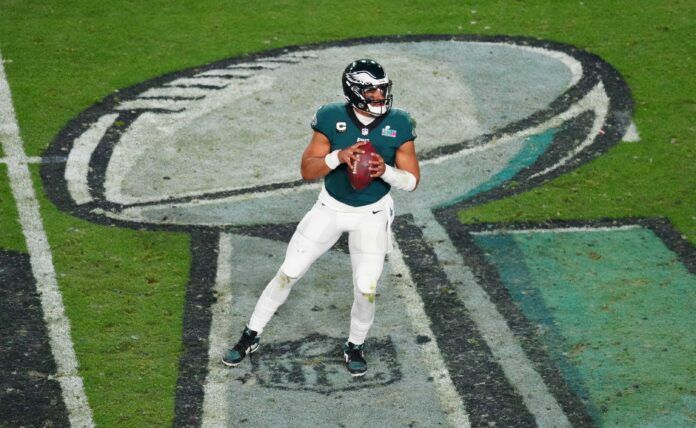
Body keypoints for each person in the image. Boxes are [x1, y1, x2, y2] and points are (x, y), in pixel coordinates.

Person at [223, 59, 420, 377]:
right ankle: (250, 335)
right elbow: (307, 171)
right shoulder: (330, 117)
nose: (380, 95)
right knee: (289, 271)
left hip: (372, 214)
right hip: (330, 208)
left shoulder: (400, 122)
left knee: (366, 287)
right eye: (372, 89)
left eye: (382, 88)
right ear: (354, 91)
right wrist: (338, 156)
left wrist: (387, 171)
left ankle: (355, 345)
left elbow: (412, 181)